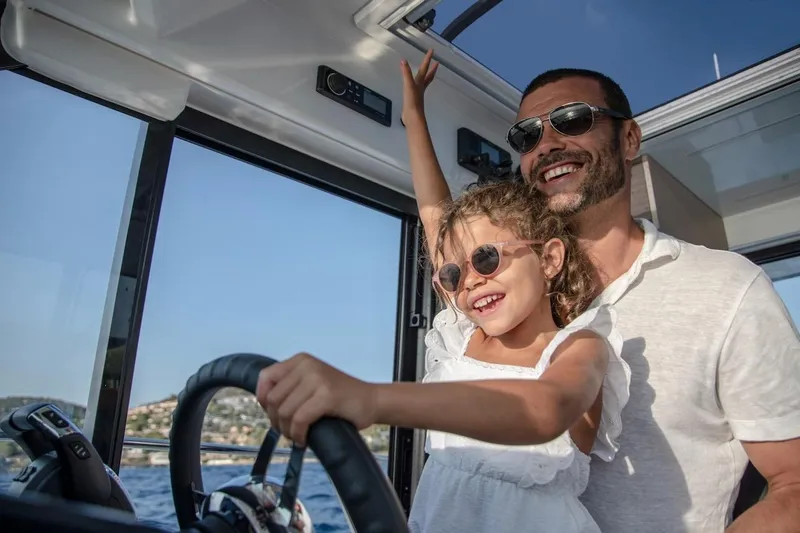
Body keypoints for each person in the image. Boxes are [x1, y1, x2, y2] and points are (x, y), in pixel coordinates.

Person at [255, 52, 634, 533]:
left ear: (550, 259)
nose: (469, 280)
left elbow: (543, 410)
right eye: (452, 275)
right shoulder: (460, 333)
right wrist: (414, 117)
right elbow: (434, 209)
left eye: (488, 259)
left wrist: (370, 399)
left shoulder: (582, 347)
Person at [506, 63, 800, 531]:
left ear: (629, 139)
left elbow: (793, 482)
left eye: (573, 119)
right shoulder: (509, 290)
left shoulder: (730, 288)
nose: (546, 144)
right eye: (526, 136)